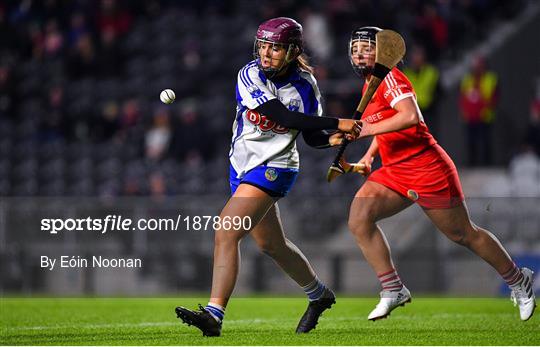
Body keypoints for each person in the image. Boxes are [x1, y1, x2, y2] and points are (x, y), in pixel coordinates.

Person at [174, 17, 362, 337]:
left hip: (276, 167)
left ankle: (214, 314)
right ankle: (319, 295)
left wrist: (336, 138)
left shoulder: (306, 86)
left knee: (226, 230)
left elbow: (312, 137)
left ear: (292, 51)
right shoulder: (249, 74)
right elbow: (282, 116)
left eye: (275, 48)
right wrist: (339, 123)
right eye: (264, 46)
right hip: (242, 166)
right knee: (272, 245)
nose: (267, 54)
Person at [343, 26, 535, 322]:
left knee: (463, 234)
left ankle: (517, 279)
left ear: (383, 52)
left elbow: (409, 117)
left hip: (425, 167)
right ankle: (393, 288)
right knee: (359, 217)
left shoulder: (391, 77)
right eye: (355, 49)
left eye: (365, 48)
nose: (358, 54)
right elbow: (385, 125)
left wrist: (364, 129)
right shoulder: (371, 81)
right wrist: (369, 156)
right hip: (394, 169)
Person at [459, 54, 498, 166]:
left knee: (486, 142)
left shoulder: (491, 78)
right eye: (475, 66)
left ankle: (487, 165)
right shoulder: (467, 79)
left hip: (485, 115)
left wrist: (484, 105)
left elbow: (494, 97)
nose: (477, 68)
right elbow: (463, 97)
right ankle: (472, 164)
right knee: (471, 142)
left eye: (479, 65)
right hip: (470, 116)